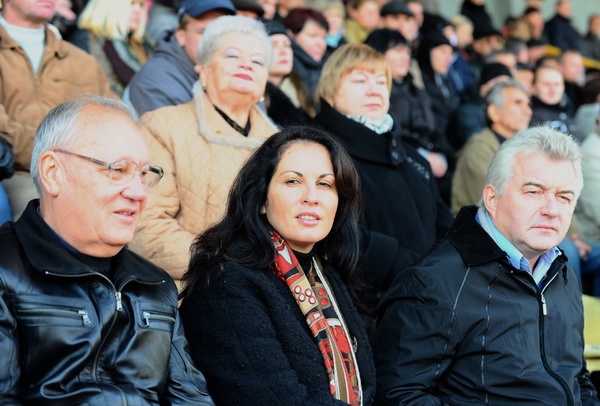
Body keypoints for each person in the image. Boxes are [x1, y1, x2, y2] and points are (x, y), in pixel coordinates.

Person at [0, 95, 215, 405]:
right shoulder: (6, 269)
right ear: (53, 172)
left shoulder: (156, 285)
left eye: (143, 174)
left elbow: (191, 400)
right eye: (118, 169)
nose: (139, 192)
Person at [374, 126, 600, 405]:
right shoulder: (434, 282)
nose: (551, 210)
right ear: (492, 198)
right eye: (533, 192)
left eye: (564, 197)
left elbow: (576, 377)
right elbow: (397, 396)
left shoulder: (561, 271)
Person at [179, 126, 376, 406]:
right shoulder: (226, 284)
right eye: (293, 181)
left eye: (325, 184)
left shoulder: (328, 276)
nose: (311, 197)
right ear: (261, 199)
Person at [129, 16, 278, 289]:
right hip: (195, 286)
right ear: (203, 68)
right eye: (232, 55)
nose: (246, 64)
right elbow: (146, 224)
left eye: (257, 61)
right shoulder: (162, 125)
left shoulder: (282, 145)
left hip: (269, 287)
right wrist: (225, 265)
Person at [314, 43, 453, 303]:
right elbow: (339, 237)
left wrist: (441, 272)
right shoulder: (318, 154)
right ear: (330, 94)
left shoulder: (412, 158)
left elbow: (445, 227)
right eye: (359, 80)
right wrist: (418, 271)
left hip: (431, 298)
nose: (374, 90)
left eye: (380, 81)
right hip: (367, 306)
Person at [0, 0, 114, 220]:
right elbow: (3, 134)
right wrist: (69, 156)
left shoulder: (84, 62)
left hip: (84, 173)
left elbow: (111, 126)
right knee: (45, 211)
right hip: (17, 173)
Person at [125, 0, 236, 115]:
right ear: (181, 36)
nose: (214, 41)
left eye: (223, 33)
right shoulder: (155, 81)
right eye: (204, 32)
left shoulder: (233, 69)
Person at [451, 79, 532, 215]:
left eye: (528, 104)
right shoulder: (478, 150)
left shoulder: (524, 149)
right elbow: (499, 205)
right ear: (494, 112)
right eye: (518, 103)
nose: (528, 111)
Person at [77, 0, 152, 97]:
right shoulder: (86, 40)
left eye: (141, 5)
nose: (137, 10)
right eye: (131, 3)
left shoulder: (144, 43)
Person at [283, 8, 329, 110]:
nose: (320, 43)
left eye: (324, 37)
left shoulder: (329, 65)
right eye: (313, 36)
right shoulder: (284, 65)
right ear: (291, 35)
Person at [530, 64, 583, 142]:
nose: (552, 89)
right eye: (546, 84)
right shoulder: (528, 116)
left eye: (557, 84)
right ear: (533, 87)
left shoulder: (568, 114)